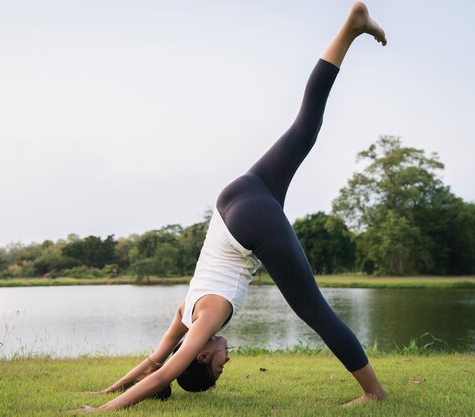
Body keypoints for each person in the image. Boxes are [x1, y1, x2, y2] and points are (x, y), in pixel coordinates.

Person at [75, 2, 388, 413]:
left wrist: (101, 410)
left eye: (220, 368)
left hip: (248, 224)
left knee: (314, 309)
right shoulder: (185, 315)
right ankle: (350, 28)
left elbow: (164, 374)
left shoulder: (205, 321)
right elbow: (155, 360)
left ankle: (373, 392)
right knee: (305, 126)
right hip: (235, 197)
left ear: (202, 357)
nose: (228, 361)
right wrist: (104, 390)